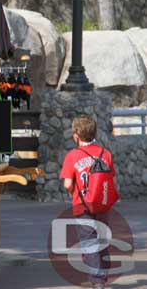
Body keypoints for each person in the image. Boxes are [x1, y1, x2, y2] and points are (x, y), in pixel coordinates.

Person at [60, 115, 116, 289]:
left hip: (82, 205)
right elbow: (111, 178)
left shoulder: (72, 156)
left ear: (76, 135)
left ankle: (97, 280)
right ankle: (103, 271)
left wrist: (73, 191)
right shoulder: (105, 153)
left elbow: (68, 184)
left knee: (89, 241)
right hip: (102, 203)